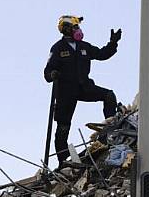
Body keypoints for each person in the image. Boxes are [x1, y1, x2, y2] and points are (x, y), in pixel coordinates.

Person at [44, 15, 122, 168]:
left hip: (84, 87)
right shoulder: (58, 48)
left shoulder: (84, 47)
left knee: (108, 95)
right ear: (66, 29)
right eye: (75, 27)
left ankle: (109, 131)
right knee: (63, 127)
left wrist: (113, 43)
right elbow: (47, 71)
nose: (78, 30)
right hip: (66, 92)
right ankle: (64, 161)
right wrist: (52, 74)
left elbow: (102, 54)